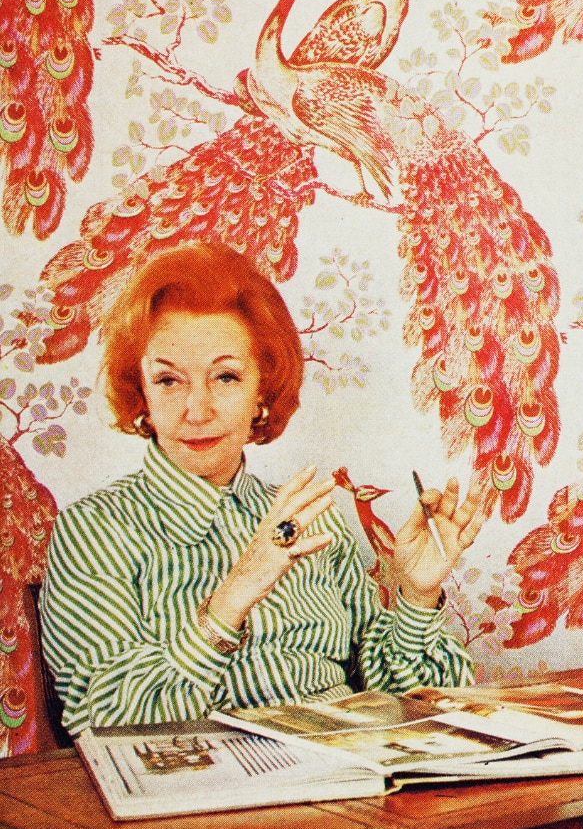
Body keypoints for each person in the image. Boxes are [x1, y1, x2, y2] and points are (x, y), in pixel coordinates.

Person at [40, 242, 485, 737]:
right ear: (140, 392)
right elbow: (102, 724)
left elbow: (419, 702)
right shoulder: (94, 530)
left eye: (225, 377)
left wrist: (417, 596)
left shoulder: (311, 515)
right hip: (211, 791)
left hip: (352, 772)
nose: (197, 409)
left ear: (261, 393)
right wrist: (233, 596)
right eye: (168, 381)